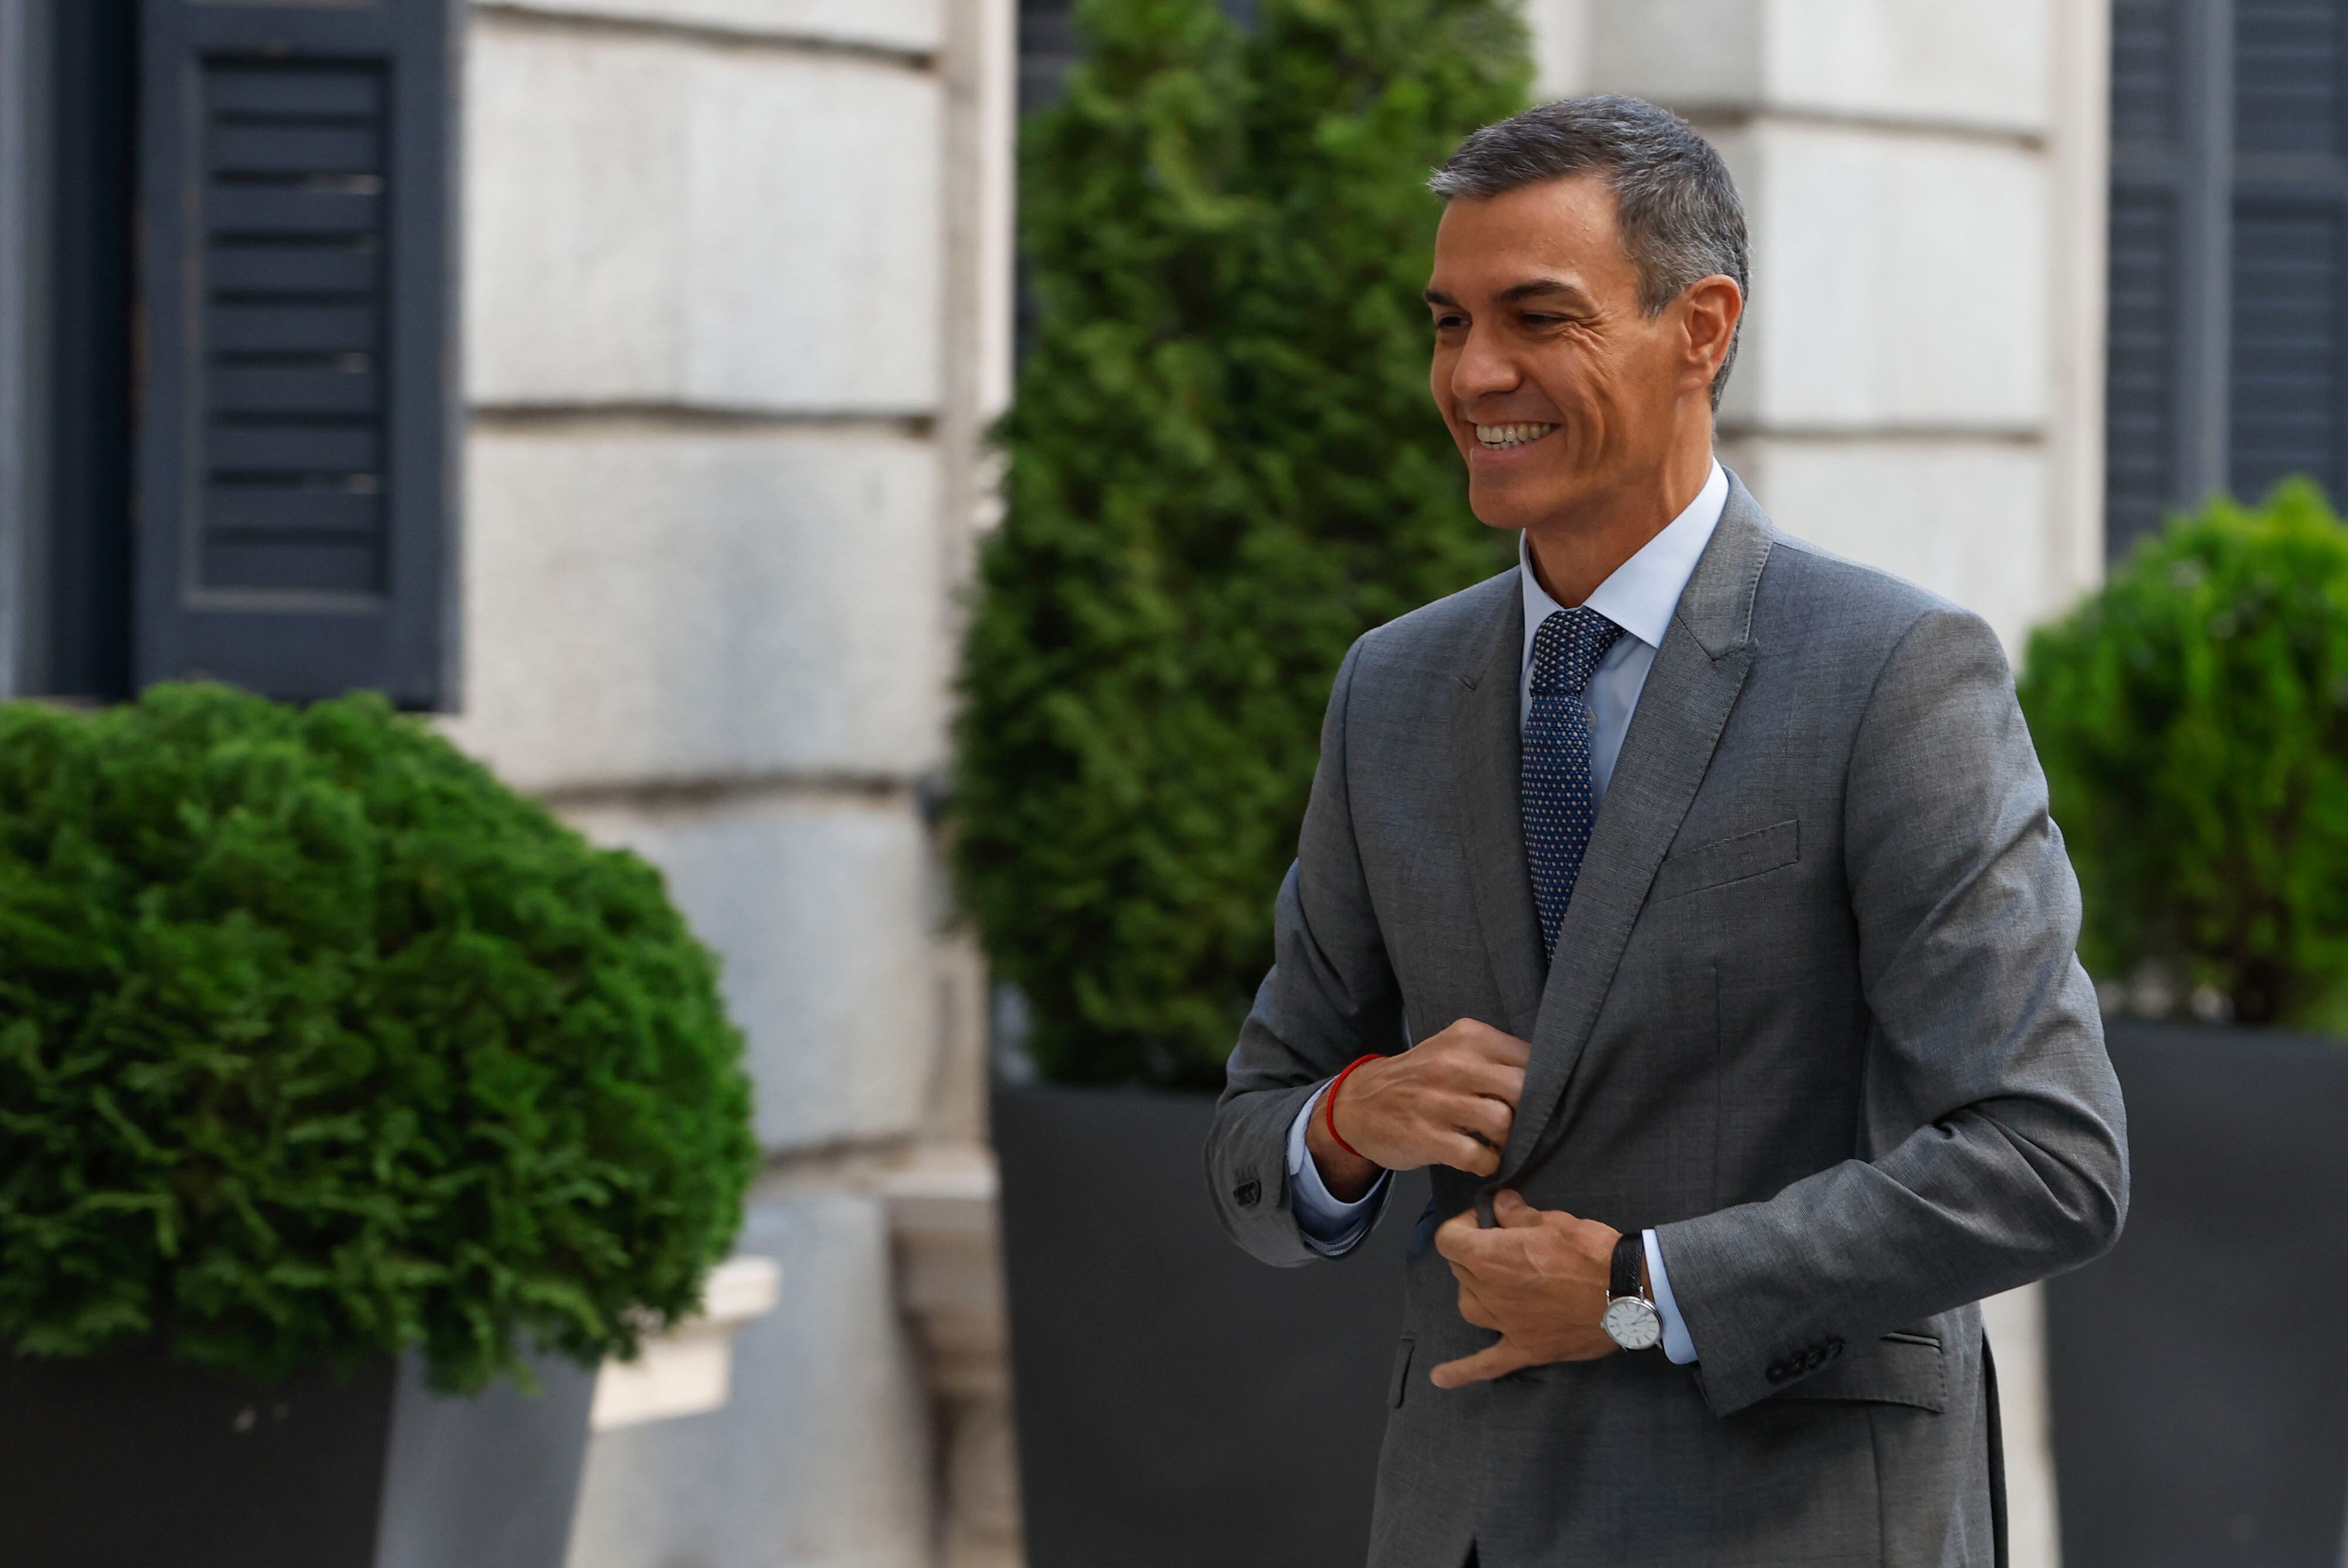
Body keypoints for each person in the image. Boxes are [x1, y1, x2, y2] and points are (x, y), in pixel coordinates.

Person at [1204, 95, 2128, 1567]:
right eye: (1446, 321)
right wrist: (1346, 1121)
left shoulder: (1892, 674)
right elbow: (1261, 1130)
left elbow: (2046, 1155)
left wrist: (1644, 1285)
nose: (1472, 372)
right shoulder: (1390, 687)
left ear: (1698, 327)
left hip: (1798, 1525)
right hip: (1472, 1518)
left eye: (1534, 316)